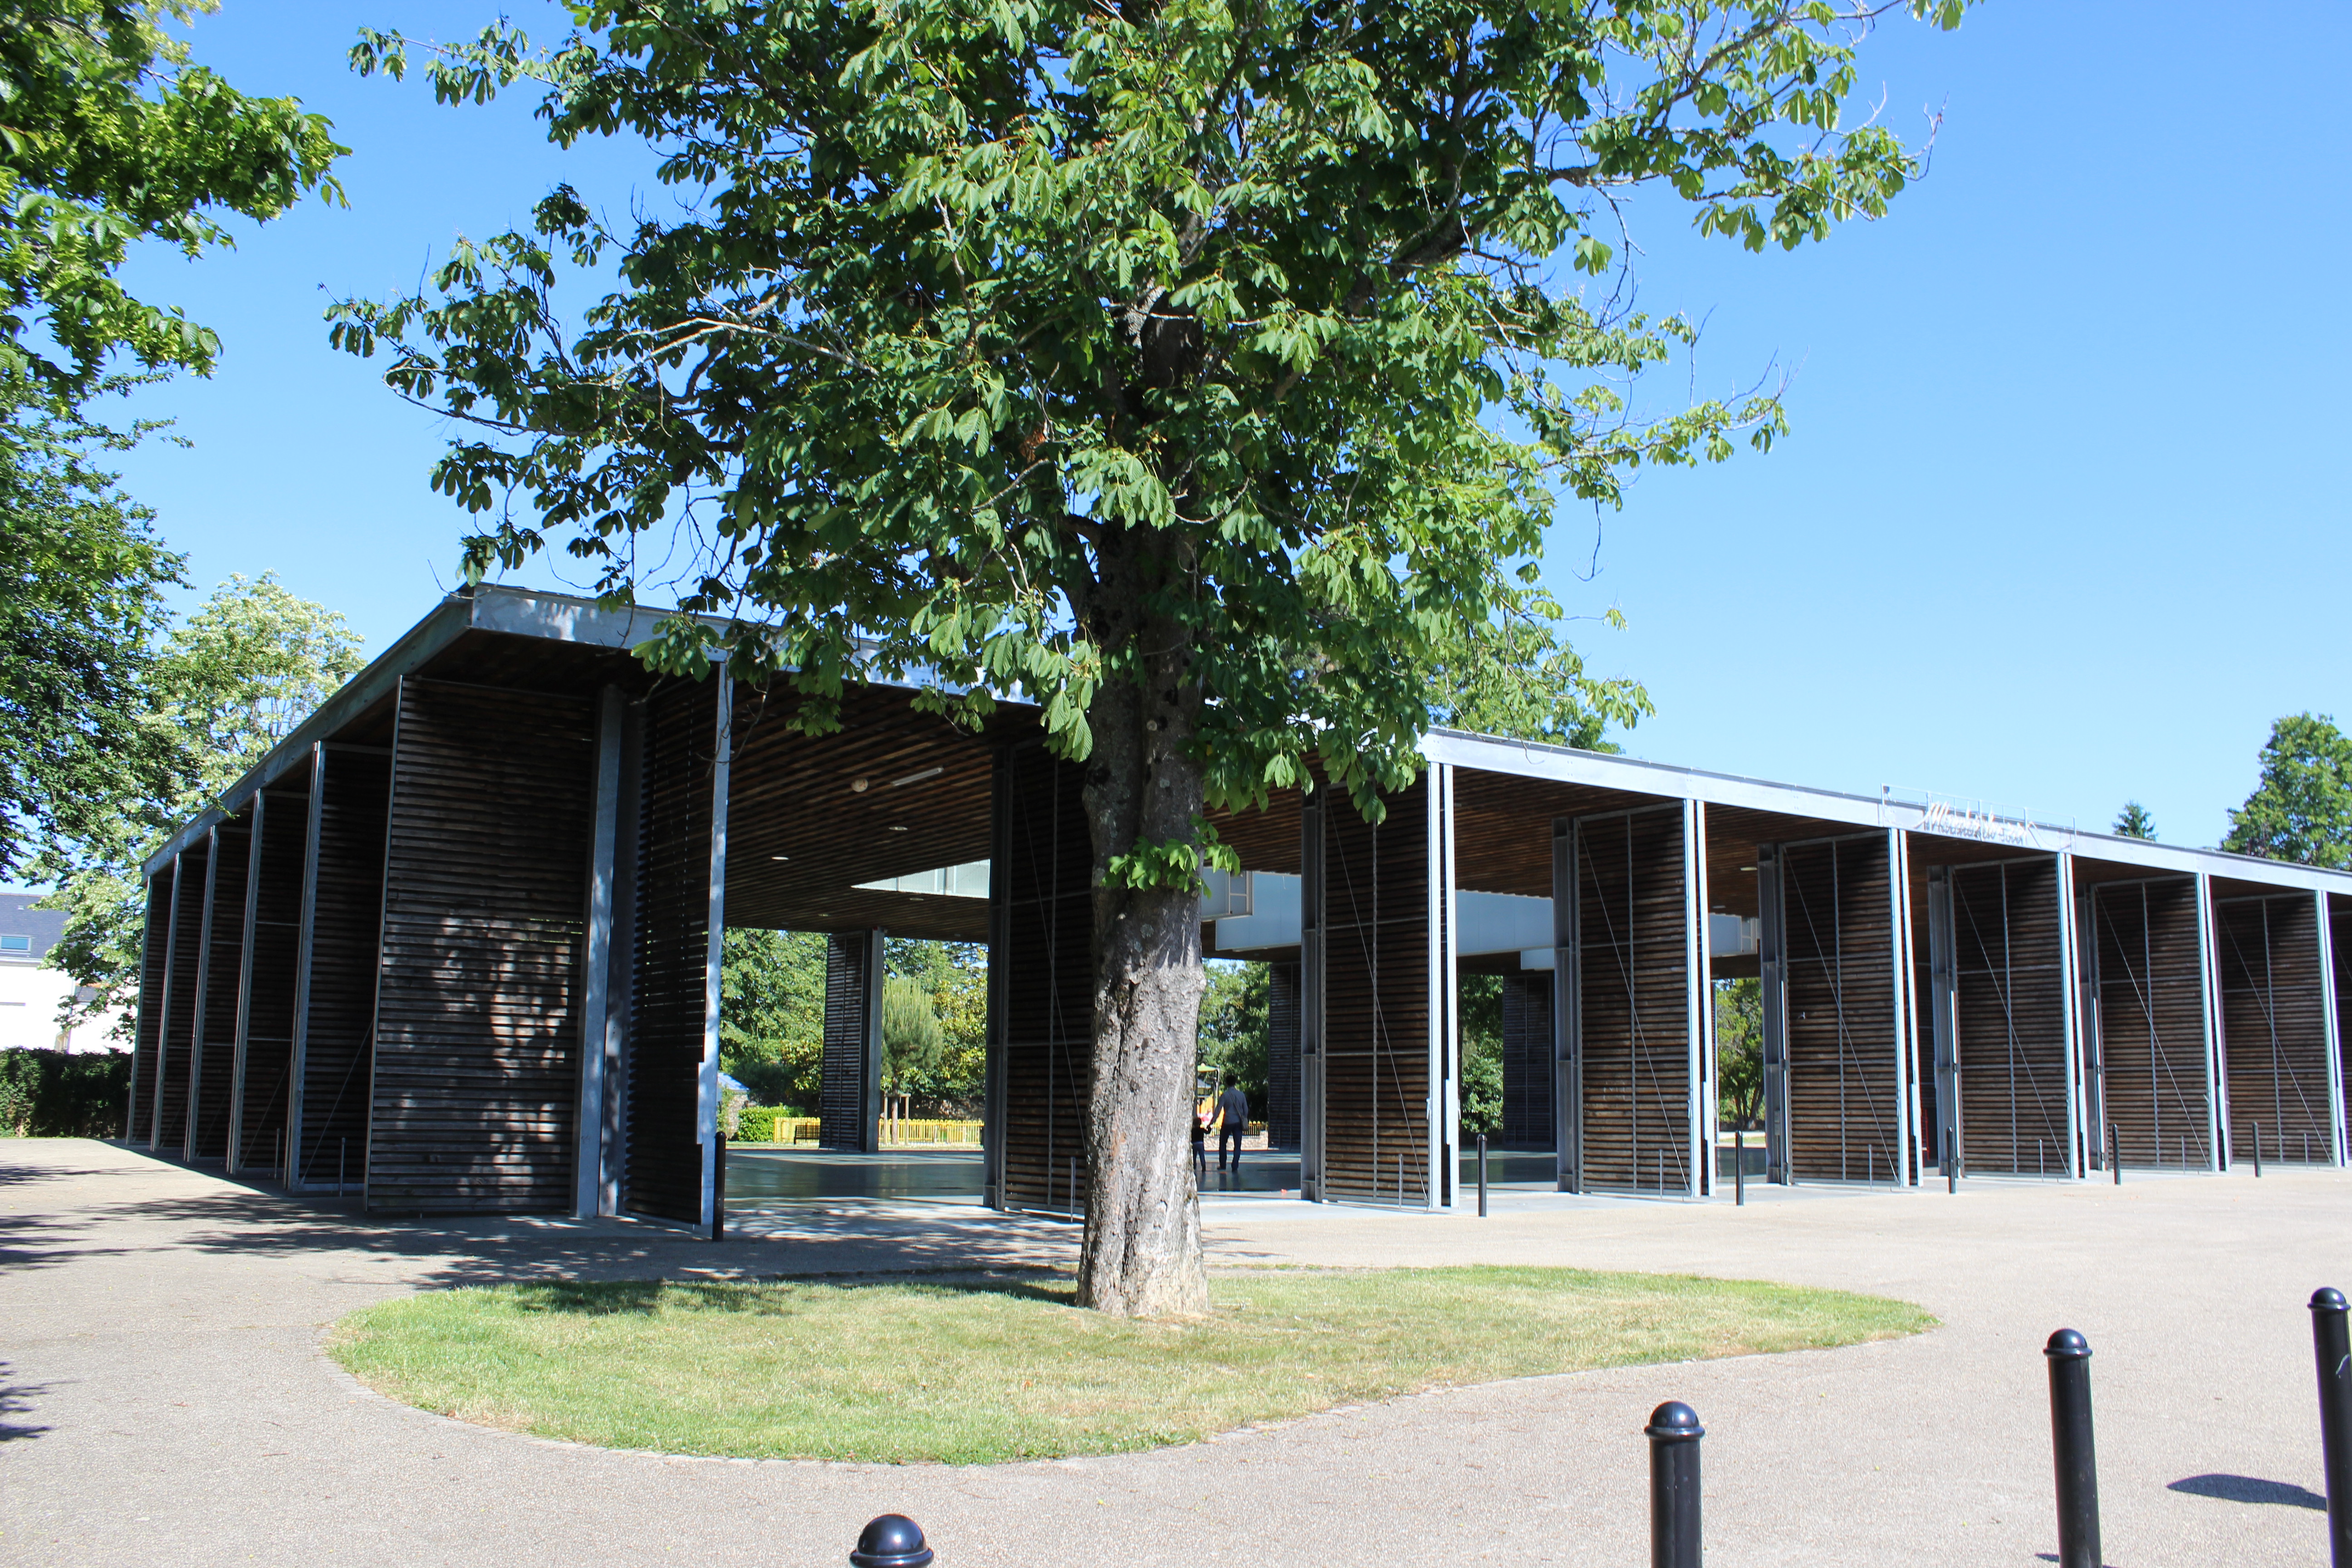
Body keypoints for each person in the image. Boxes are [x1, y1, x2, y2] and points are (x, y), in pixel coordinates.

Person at [1218, 1080, 1250, 1172]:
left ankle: (1223, 1164)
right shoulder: (1241, 1095)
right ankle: (1235, 1165)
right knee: (1238, 1145)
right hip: (1238, 1123)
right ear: (1235, 1083)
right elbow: (1246, 1110)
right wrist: (1244, 1118)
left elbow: (1218, 1109)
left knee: (1223, 1143)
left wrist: (1212, 1121)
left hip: (1227, 1122)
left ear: (1227, 1083)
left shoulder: (1225, 1095)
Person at [1190, 1097, 1209, 1184]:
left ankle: (1194, 1166)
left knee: (1194, 1156)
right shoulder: (1201, 1129)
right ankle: (1204, 1166)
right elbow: (1208, 1132)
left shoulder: (1192, 1130)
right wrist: (1209, 1127)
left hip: (1194, 1144)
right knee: (1202, 1156)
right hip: (1201, 1144)